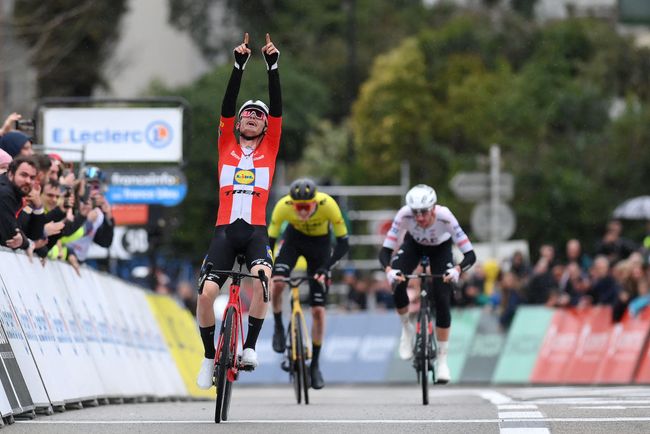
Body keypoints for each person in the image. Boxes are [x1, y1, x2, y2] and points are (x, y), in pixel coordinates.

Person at [195, 32, 282, 390]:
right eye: (247, 113)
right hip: (225, 232)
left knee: (263, 282)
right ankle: (207, 355)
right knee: (204, 295)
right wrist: (238, 66)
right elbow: (227, 105)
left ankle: (248, 346)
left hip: (256, 231)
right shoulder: (226, 143)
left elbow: (277, 107)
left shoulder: (270, 147)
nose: (251, 116)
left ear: (265, 127)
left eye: (258, 116)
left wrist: (272, 67)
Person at [378, 184, 476, 384]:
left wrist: (456, 271)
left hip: (441, 249)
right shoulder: (404, 215)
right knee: (397, 282)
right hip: (413, 245)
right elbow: (385, 251)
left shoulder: (445, 217)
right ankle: (407, 329)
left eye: (424, 213)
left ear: (433, 208)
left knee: (442, 296)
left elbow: (470, 255)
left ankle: (442, 360)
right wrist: (389, 271)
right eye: (416, 214)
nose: (420, 218)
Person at [268, 178, 349, 390]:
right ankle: (277, 324)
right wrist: (267, 266)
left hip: (320, 248)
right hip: (293, 242)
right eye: (298, 207)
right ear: (291, 204)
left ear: (315, 202)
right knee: (276, 282)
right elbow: (269, 241)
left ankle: (314, 365)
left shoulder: (328, 205)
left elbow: (343, 243)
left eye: (306, 206)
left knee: (318, 312)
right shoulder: (283, 207)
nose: (302, 211)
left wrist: (326, 268)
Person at [0, 156, 38, 250]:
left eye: (32, 177)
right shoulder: (4, 193)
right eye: (23, 175)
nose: (28, 181)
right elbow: (10, 238)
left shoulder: (17, 195)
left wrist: (39, 207)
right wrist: (26, 243)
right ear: (11, 174)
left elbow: (35, 234)